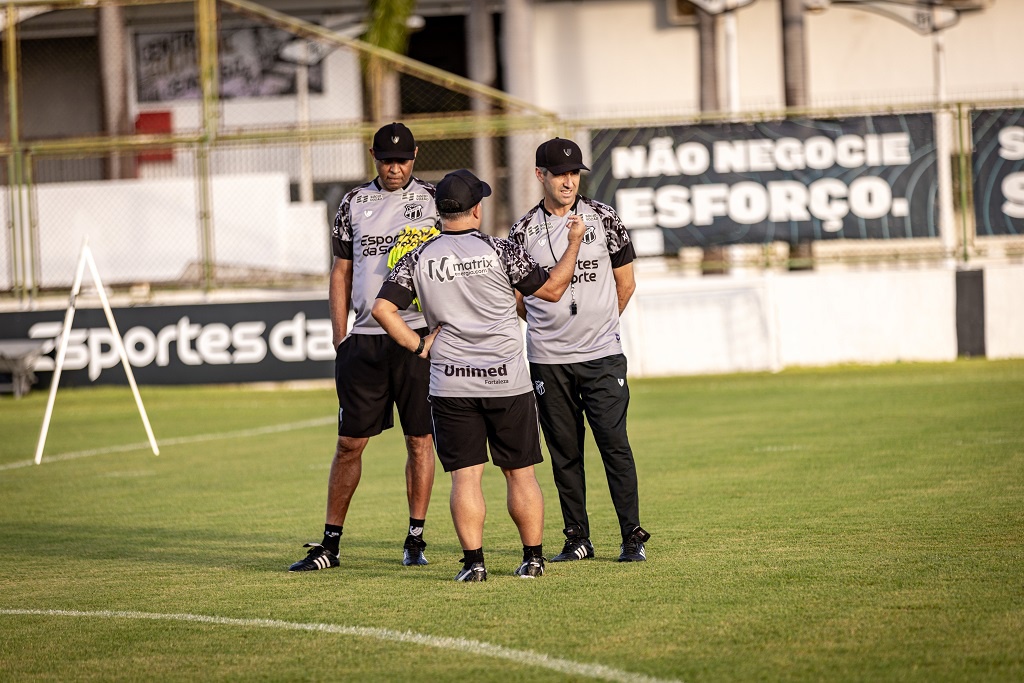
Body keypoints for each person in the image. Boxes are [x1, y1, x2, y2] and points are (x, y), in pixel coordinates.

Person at [371, 169, 584, 582]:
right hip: (507, 379)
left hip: (451, 382)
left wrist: (418, 345)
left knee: (465, 477)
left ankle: (474, 564)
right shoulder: (499, 250)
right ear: (476, 209)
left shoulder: (420, 256)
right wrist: (573, 243)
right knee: (520, 472)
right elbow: (554, 290)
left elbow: (382, 309)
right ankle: (533, 558)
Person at [289, 122, 439, 572]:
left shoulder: (434, 199)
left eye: (403, 160)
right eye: (386, 160)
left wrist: (438, 333)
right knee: (349, 444)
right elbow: (341, 271)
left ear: (415, 156)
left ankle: (415, 537)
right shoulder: (354, 202)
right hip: (366, 343)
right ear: (373, 155)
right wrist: (341, 337)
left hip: (414, 338)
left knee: (420, 441)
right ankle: (330, 545)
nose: (395, 168)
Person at [509, 137, 651, 563]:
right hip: (548, 360)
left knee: (614, 444)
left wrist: (600, 325)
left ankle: (631, 537)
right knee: (564, 453)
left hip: (602, 356)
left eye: (574, 174)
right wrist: (549, 328)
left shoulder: (605, 218)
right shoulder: (521, 231)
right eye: (559, 174)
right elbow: (519, 299)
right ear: (541, 176)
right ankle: (577, 539)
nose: (569, 181)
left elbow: (626, 283)